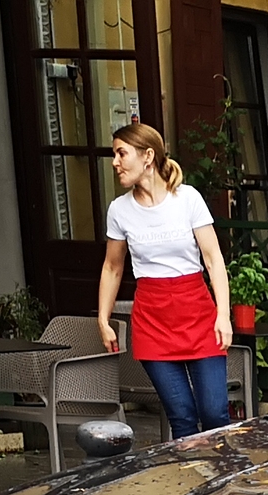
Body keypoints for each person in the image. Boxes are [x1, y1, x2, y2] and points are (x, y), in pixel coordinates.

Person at [95, 122, 232, 438]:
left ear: (147, 156)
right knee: (181, 418)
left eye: (121, 154)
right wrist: (103, 319)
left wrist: (223, 315)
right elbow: (112, 268)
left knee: (215, 413)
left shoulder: (187, 199)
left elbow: (213, 259)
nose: (115, 163)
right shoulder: (119, 210)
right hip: (153, 322)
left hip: (198, 315)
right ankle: (194, 484)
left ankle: (224, 480)